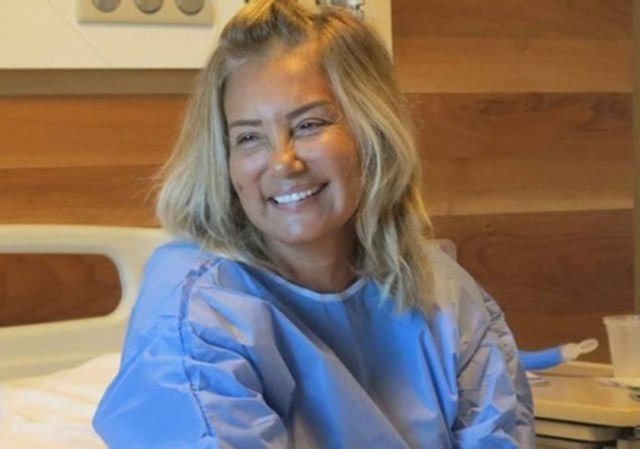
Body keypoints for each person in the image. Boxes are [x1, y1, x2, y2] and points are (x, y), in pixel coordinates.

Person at [93, 0, 535, 447]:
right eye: (249, 137)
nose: (283, 163)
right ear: (223, 160)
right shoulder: (199, 316)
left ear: (371, 132)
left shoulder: (445, 297)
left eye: (309, 124)